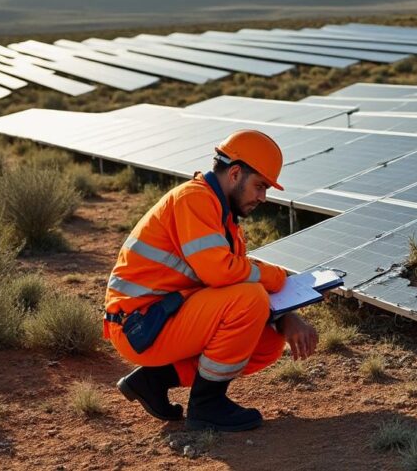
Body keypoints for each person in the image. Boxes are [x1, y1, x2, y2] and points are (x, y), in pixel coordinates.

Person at [103, 129, 318, 432]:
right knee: (250, 300)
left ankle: (152, 380)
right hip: (139, 326)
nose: (263, 197)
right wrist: (276, 276)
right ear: (234, 174)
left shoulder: (223, 217)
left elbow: (233, 275)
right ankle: (207, 406)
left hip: (161, 317)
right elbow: (222, 273)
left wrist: (286, 319)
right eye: (259, 186)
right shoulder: (194, 199)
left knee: (267, 342)